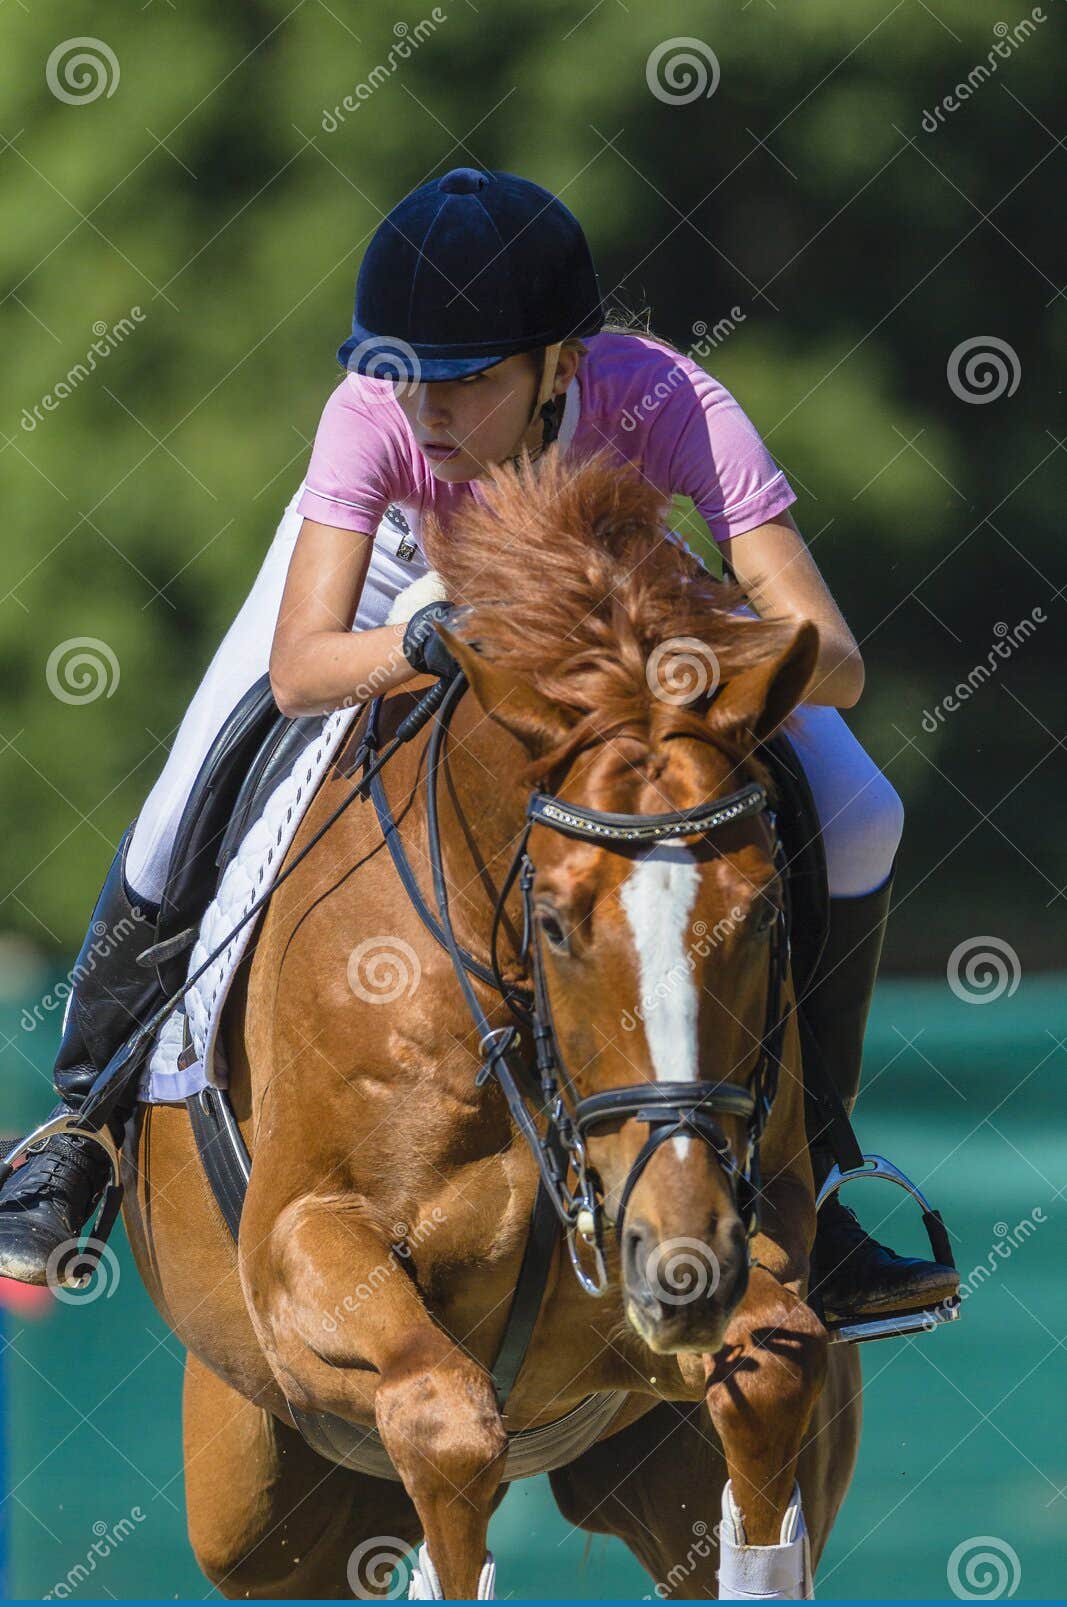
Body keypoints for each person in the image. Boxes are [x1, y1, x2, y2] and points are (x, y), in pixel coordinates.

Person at [0, 166, 958, 1325]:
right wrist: (425, 638)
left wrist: (676, 631)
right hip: (406, 587)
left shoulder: (668, 402)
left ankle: (818, 1165)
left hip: (615, 599)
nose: (429, 413)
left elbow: (830, 656)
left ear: (562, 366)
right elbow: (302, 666)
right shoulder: (374, 410)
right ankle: (81, 1127)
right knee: (182, 789)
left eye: (467, 383)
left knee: (862, 810)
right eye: (411, 380)